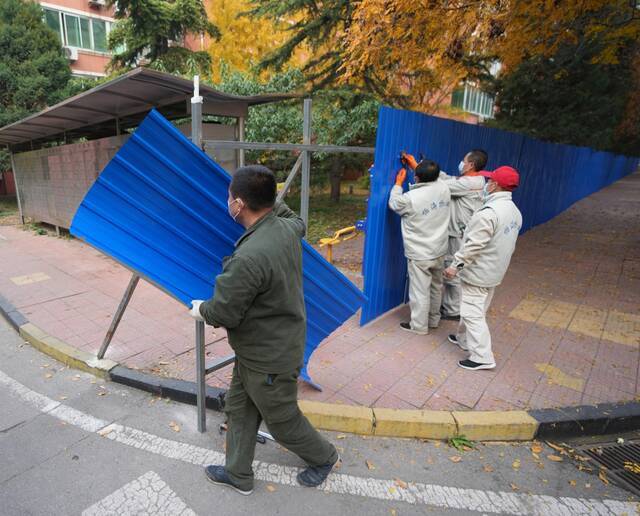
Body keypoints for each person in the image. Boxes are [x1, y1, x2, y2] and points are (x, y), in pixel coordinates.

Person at [189, 165, 339, 495]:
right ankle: (238, 473)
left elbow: (225, 311)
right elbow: (290, 215)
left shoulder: (250, 257)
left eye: (230, 196)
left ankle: (324, 456)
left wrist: (201, 309)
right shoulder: (286, 227)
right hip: (258, 348)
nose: (227, 201)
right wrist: (269, 194)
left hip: (271, 355)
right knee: (240, 409)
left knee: (282, 421)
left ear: (239, 205)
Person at [443, 166, 522, 370]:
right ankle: (463, 339)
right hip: (494, 270)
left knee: (472, 312)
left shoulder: (489, 213)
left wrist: (455, 266)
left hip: (479, 272)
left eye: (489, 181)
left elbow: (473, 245)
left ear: (494, 185)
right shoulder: (514, 211)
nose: (486, 184)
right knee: (476, 308)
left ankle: (482, 357)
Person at [402, 149, 488, 320]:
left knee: (452, 272)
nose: (461, 163)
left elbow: (439, 184)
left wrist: (417, 168)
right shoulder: (473, 180)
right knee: (450, 271)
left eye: (464, 160)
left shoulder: (468, 184)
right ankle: (448, 308)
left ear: (471, 164)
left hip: (458, 235)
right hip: (460, 232)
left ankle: (452, 310)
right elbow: (448, 178)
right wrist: (422, 166)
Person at [388, 160, 451, 335]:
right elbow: (436, 178)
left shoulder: (411, 198)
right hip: (440, 248)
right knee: (436, 286)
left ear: (416, 177)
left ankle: (419, 326)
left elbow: (394, 203)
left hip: (421, 253)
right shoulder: (444, 187)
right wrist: (416, 164)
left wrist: (398, 184)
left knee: (420, 290)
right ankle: (433, 320)